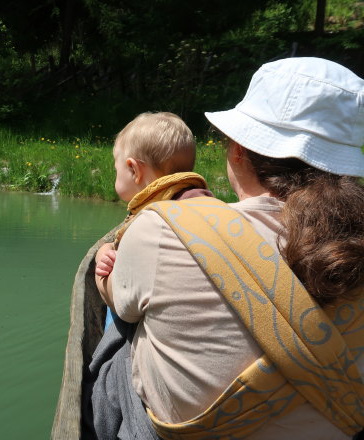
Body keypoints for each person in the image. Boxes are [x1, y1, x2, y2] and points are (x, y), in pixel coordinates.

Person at [86, 57, 364, 440]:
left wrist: (105, 283)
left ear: (237, 151)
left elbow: (121, 302)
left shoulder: (164, 228)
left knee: (122, 326)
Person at [93, 112, 212, 329]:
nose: (115, 174)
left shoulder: (148, 224)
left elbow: (120, 302)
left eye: (116, 168)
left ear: (133, 170)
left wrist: (101, 256)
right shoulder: (203, 203)